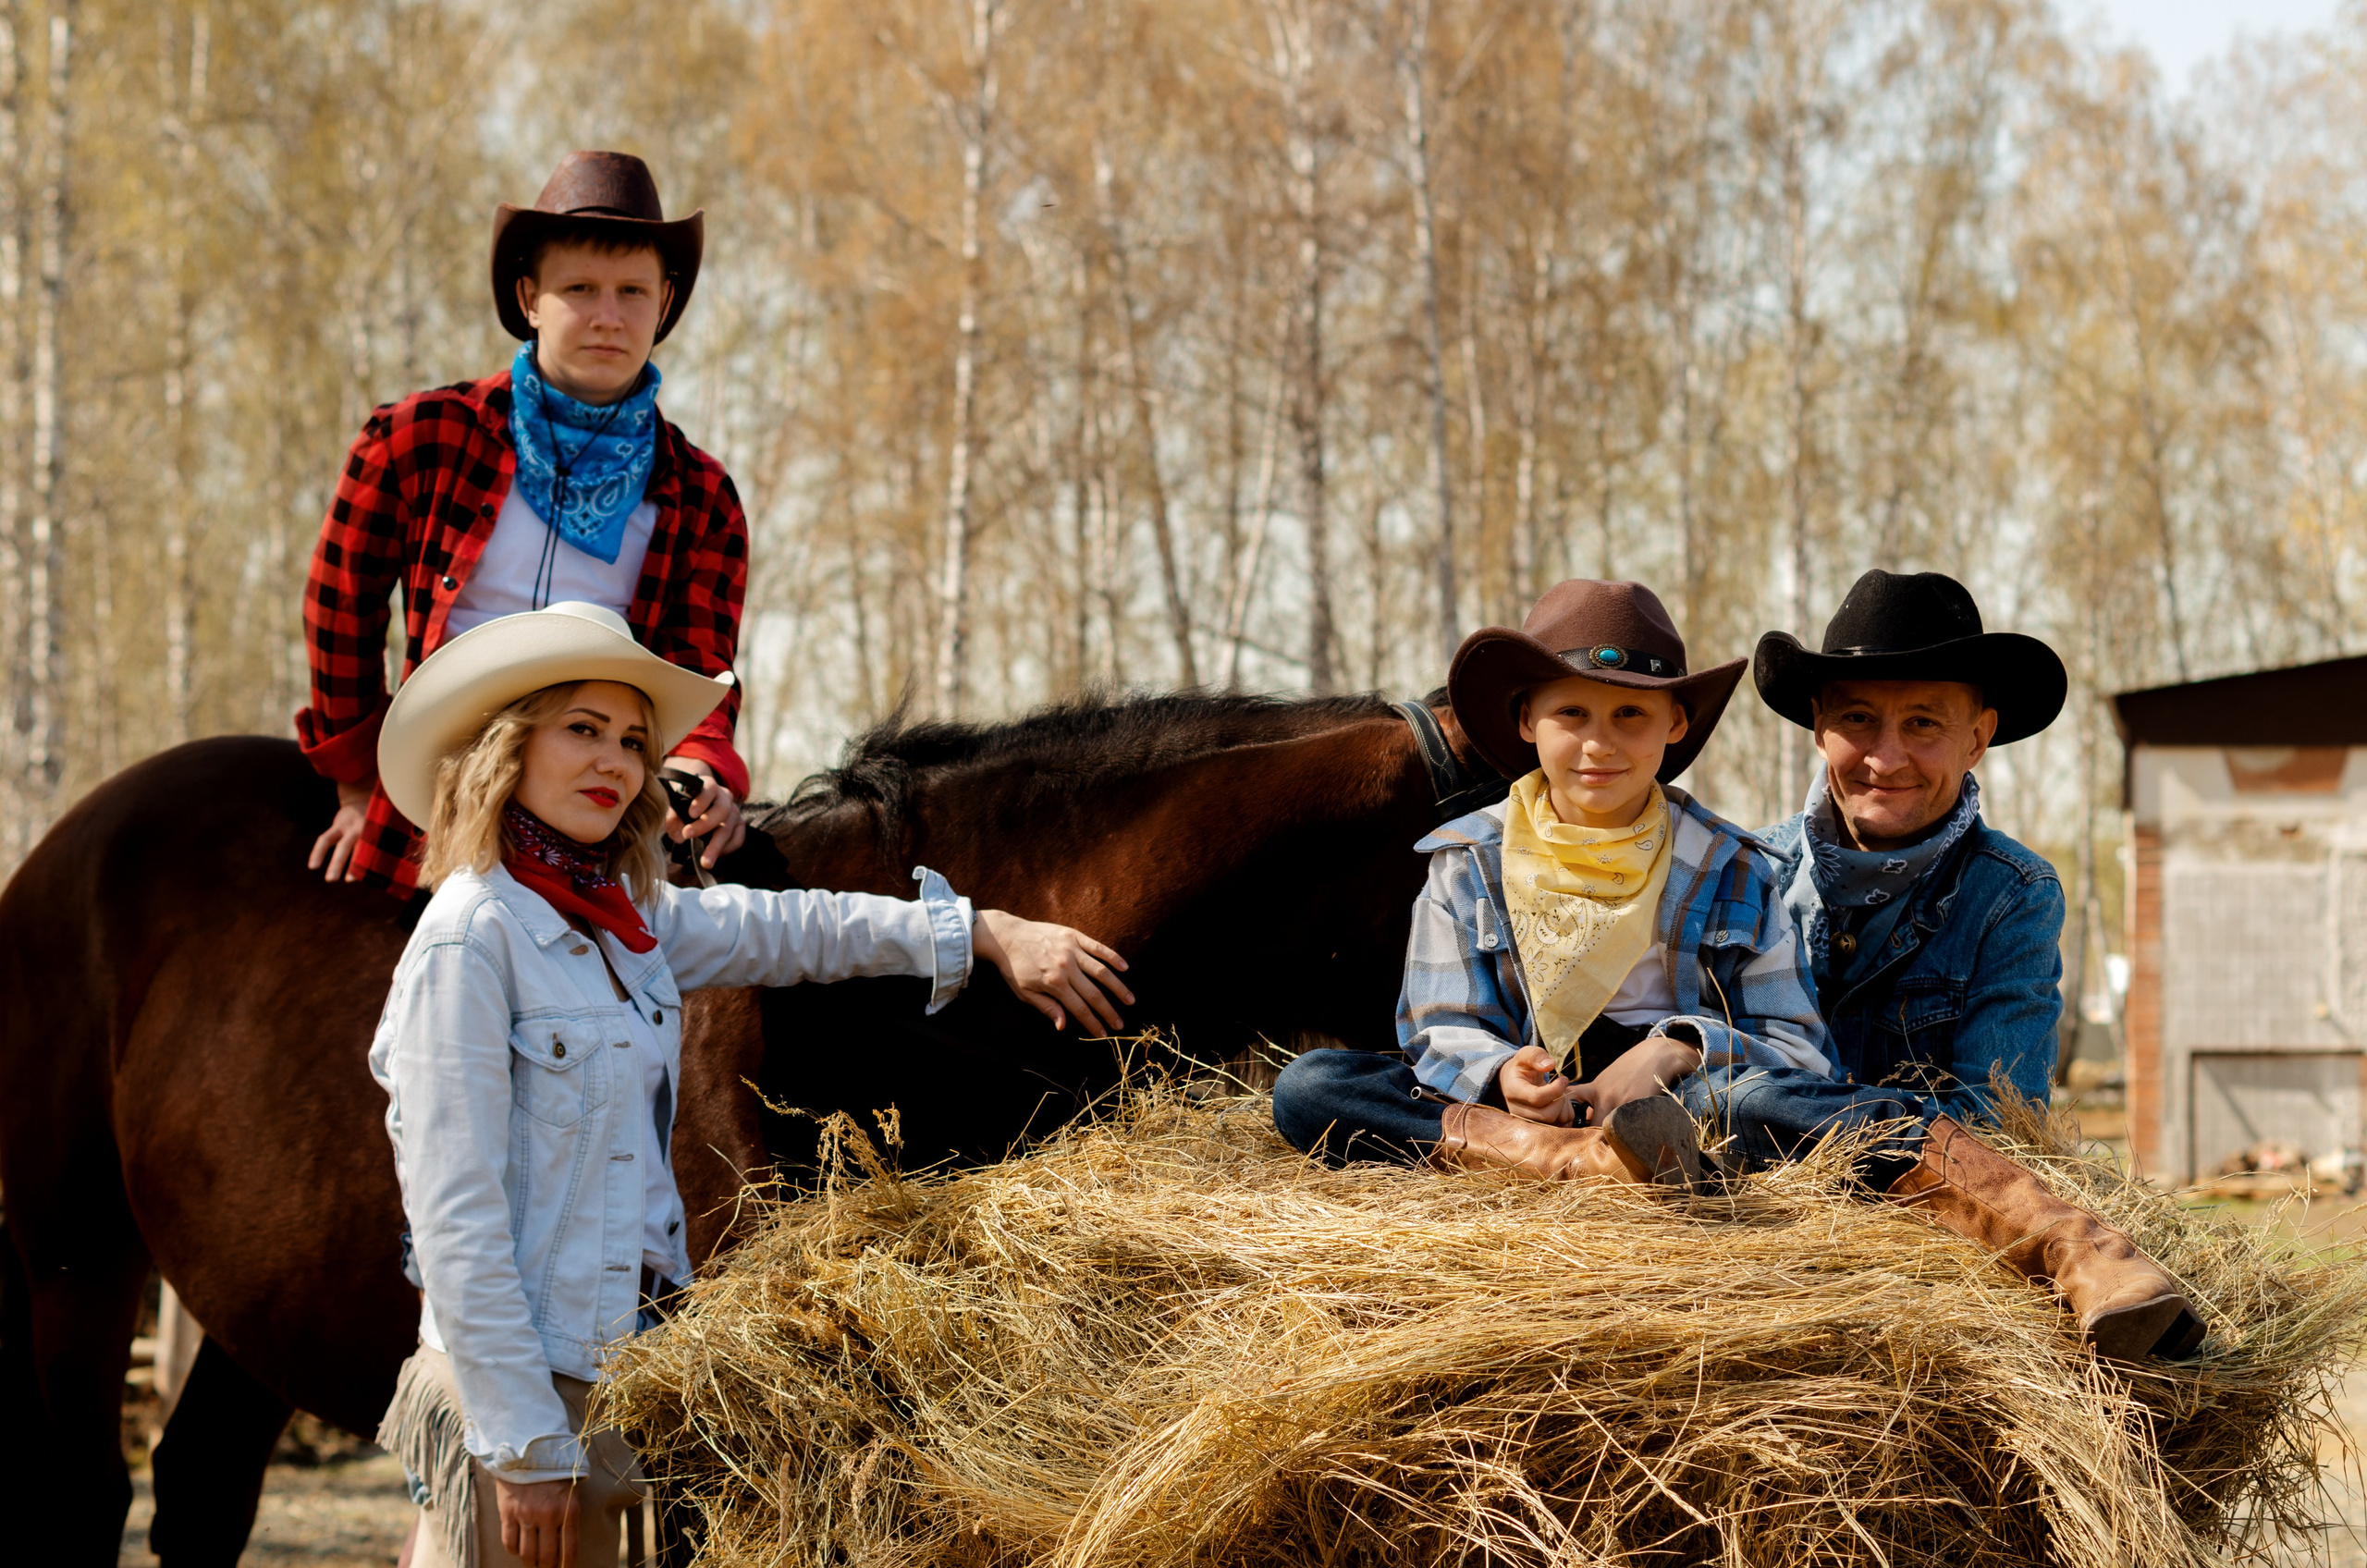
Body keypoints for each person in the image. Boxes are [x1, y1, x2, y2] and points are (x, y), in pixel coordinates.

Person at [366, 601, 1134, 1568]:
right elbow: (452, 1213)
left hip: (619, 1378)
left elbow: (797, 929)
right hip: (516, 1399)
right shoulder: (471, 938)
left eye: (635, 740)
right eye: (582, 730)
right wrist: (523, 1447)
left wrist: (980, 930)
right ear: (509, 747)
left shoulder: (626, 922)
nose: (614, 760)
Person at [1673, 568, 2198, 1360]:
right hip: (1778, 1222)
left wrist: (1802, 1127)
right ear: (1818, 725)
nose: (1887, 756)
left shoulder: (2012, 894)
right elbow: (1700, 1079)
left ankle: (2075, 1247)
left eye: (1923, 723)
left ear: (1978, 735)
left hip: (1917, 1221)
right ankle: (2071, 1243)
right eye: (1859, 719)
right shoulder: (1743, 873)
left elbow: (1997, 1116)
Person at [1270, 580, 1829, 1193]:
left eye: (1630, 714)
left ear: (1675, 722)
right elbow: (1440, 1025)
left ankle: (1641, 1144)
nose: (1599, 743)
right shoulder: (1469, 859)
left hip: (1680, 1099)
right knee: (1312, 1086)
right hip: (1521, 1110)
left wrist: (1676, 1053)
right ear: (1526, 720)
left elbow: (1795, 1045)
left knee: (1766, 1101)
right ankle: (1572, 1157)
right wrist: (1502, 1072)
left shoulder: (1731, 865)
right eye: (1571, 713)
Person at [300, 151, 754, 899]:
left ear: (665, 305)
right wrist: (356, 780)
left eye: (633, 292)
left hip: (598, 796)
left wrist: (698, 767)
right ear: (530, 296)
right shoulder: (418, 437)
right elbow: (338, 607)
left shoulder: (703, 493)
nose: (609, 316)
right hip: (440, 791)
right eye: (580, 289)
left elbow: (702, 666)